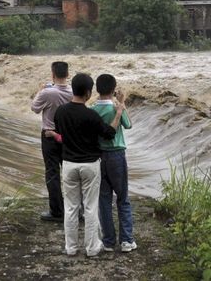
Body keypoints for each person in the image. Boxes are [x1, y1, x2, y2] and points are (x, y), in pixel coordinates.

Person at [54, 73, 124, 257]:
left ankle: (71, 247)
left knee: (70, 207)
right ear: (87, 92)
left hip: (68, 164)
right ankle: (92, 248)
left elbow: (60, 134)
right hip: (90, 165)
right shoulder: (91, 115)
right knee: (91, 207)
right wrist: (118, 113)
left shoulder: (60, 112)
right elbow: (109, 133)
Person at [92, 74, 137, 253]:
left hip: (99, 156)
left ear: (97, 89)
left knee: (104, 199)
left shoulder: (92, 109)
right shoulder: (116, 108)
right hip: (117, 155)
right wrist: (122, 104)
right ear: (113, 89)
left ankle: (109, 241)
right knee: (123, 198)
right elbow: (128, 125)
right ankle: (126, 240)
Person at [30, 61, 72, 222]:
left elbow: (34, 108)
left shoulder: (47, 93)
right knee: (71, 173)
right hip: (69, 136)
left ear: (52, 74)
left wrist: (40, 90)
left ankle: (57, 211)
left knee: (52, 173)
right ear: (68, 74)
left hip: (49, 135)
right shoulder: (73, 92)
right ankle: (77, 209)